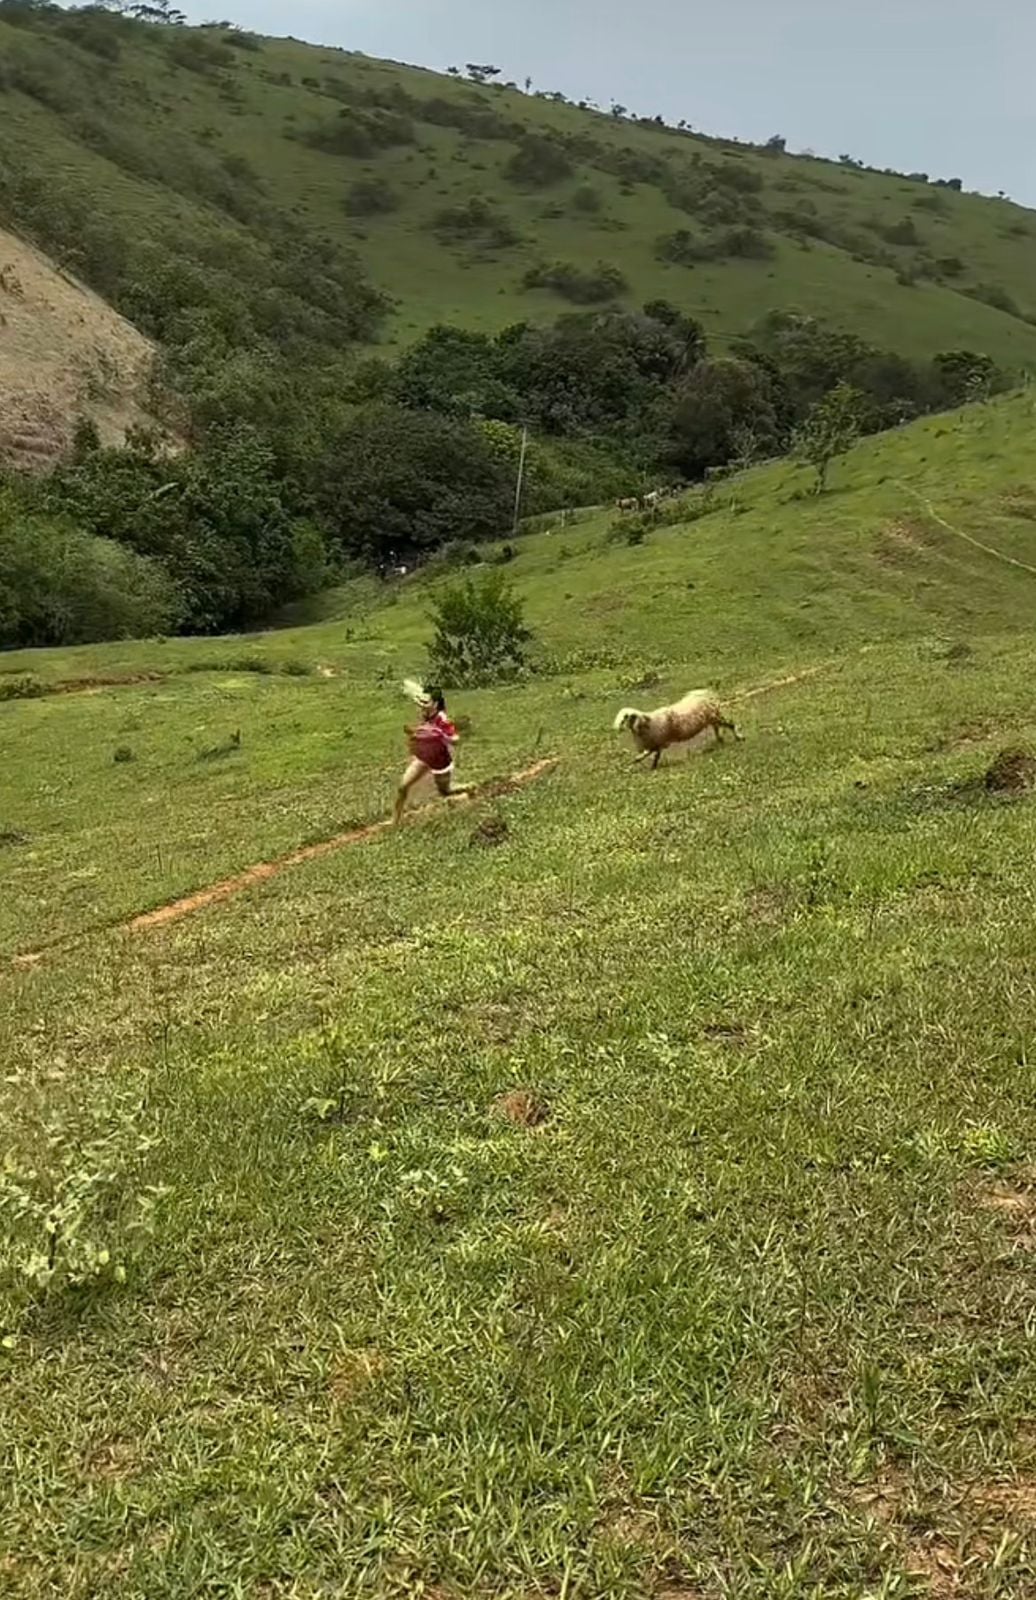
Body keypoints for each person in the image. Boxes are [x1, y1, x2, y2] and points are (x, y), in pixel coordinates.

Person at [393, 685, 469, 824]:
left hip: (440, 759)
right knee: (402, 787)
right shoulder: (425, 712)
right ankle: (395, 822)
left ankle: (467, 791)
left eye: (426, 702)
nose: (422, 705)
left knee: (446, 791)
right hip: (424, 757)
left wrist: (441, 735)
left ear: (435, 704)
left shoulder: (442, 719)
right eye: (421, 701)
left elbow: (456, 739)